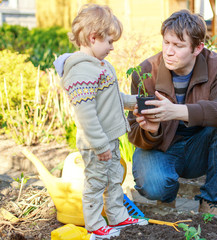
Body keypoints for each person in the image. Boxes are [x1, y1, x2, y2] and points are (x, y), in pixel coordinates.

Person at [127, 9, 217, 217]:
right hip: (162, 147)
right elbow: (133, 131)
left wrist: (177, 111)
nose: (169, 52)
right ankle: (166, 199)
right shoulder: (146, 72)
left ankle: (210, 201)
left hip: (199, 145)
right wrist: (152, 131)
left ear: (197, 48)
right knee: (154, 185)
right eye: (166, 43)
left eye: (179, 46)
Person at [53, 4, 147, 238]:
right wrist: (100, 145)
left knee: (114, 180)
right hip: (97, 144)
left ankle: (117, 217)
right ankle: (95, 225)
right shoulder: (81, 71)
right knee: (96, 183)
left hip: (109, 139)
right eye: (109, 42)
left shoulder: (100, 65)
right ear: (93, 37)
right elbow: (86, 115)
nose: (112, 48)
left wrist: (138, 101)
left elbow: (113, 99)